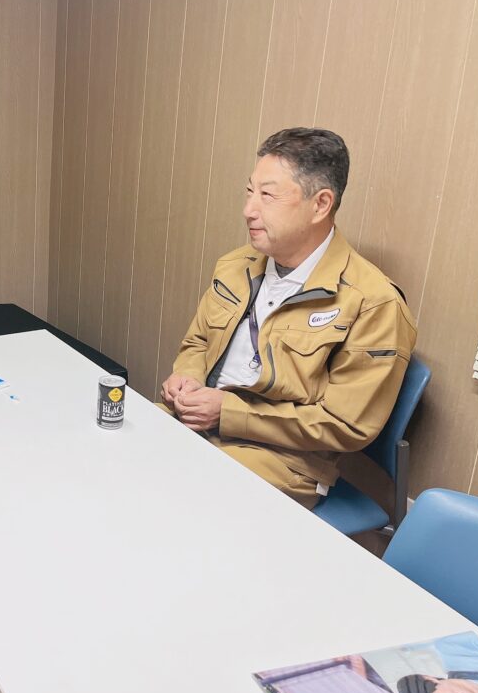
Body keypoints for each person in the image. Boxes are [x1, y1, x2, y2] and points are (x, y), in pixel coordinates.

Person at [162, 127, 417, 508]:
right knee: (110, 446)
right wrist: (187, 378)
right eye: (250, 192)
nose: (249, 210)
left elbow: (344, 424)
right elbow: (198, 342)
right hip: (198, 421)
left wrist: (227, 413)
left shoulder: (373, 304)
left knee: (172, 497)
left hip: (283, 459)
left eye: (267, 195)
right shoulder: (236, 265)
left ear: (320, 204)